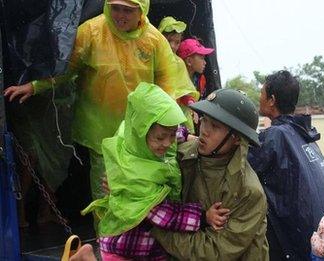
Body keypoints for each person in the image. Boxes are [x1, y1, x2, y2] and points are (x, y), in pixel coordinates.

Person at [3, 0, 193, 200]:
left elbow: (167, 87)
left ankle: (135, 232)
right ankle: (105, 232)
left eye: (127, 10)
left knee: (138, 193)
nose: (120, 15)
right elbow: (66, 69)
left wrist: (168, 127)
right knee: (104, 195)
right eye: (116, 8)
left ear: (142, 9)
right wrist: (34, 86)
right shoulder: (91, 31)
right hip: (100, 135)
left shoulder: (155, 40)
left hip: (140, 134)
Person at [81, 83, 229, 260]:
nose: (167, 143)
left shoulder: (134, 137)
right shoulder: (135, 176)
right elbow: (164, 214)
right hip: (128, 246)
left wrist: (187, 136)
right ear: (141, 133)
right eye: (160, 138)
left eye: (172, 136)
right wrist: (203, 217)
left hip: (146, 243)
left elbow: (166, 128)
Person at [150, 88, 269, 260]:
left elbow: (213, 251)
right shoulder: (182, 154)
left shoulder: (247, 191)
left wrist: (155, 229)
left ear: (236, 138)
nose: (204, 130)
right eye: (204, 121)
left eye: (215, 126)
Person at [247, 70, 324, 260]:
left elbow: (242, 166)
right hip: (321, 234)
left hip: (296, 241)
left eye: (262, 94)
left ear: (272, 100)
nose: (259, 98)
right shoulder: (306, 135)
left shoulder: (275, 135)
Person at [158, 16, 200, 135]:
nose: (172, 46)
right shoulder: (151, 59)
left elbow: (184, 89)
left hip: (176, 114)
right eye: (168, 40)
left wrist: (192, 104)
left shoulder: (179, 63)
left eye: (177, 42)